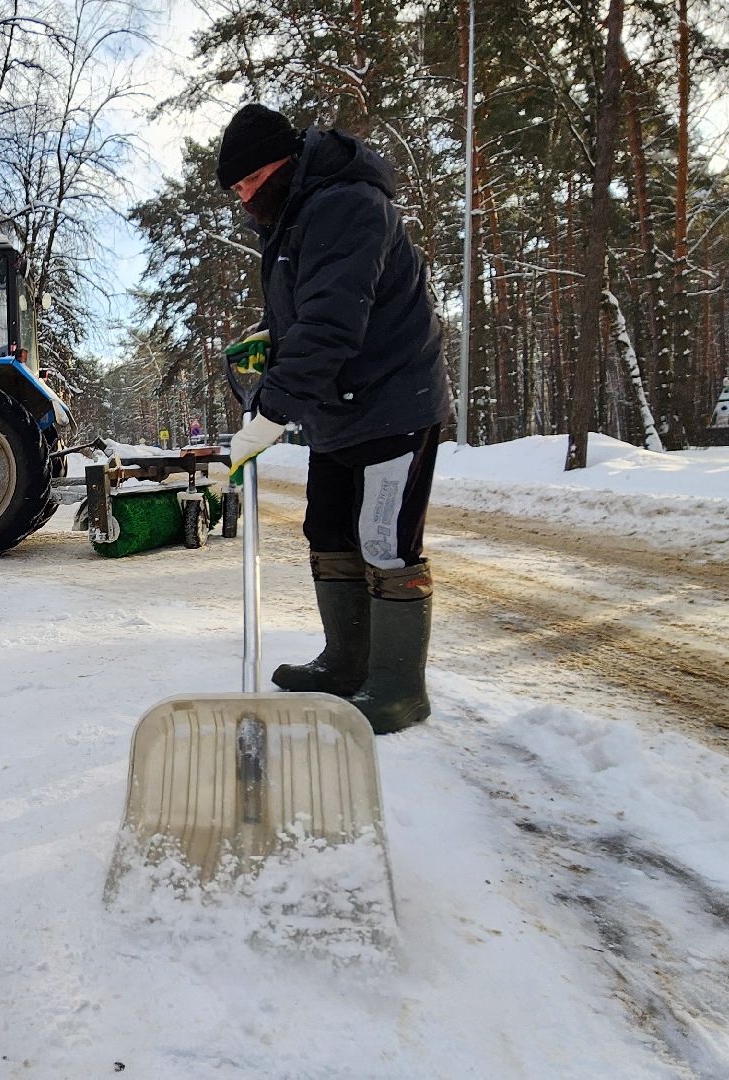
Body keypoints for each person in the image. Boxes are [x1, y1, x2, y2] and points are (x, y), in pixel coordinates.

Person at [221, 103, 450, 735]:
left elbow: (332, 323)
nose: (243, 198)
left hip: (392, 403)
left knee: (385, 542)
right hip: (340, 411)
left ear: (281, 163)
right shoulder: (293, 213)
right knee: (327, 529)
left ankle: (400, 690)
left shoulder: (346, 203)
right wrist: (273, 338)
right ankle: (347, 663)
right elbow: (309, 310)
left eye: (246, 182)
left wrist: (268, 413)